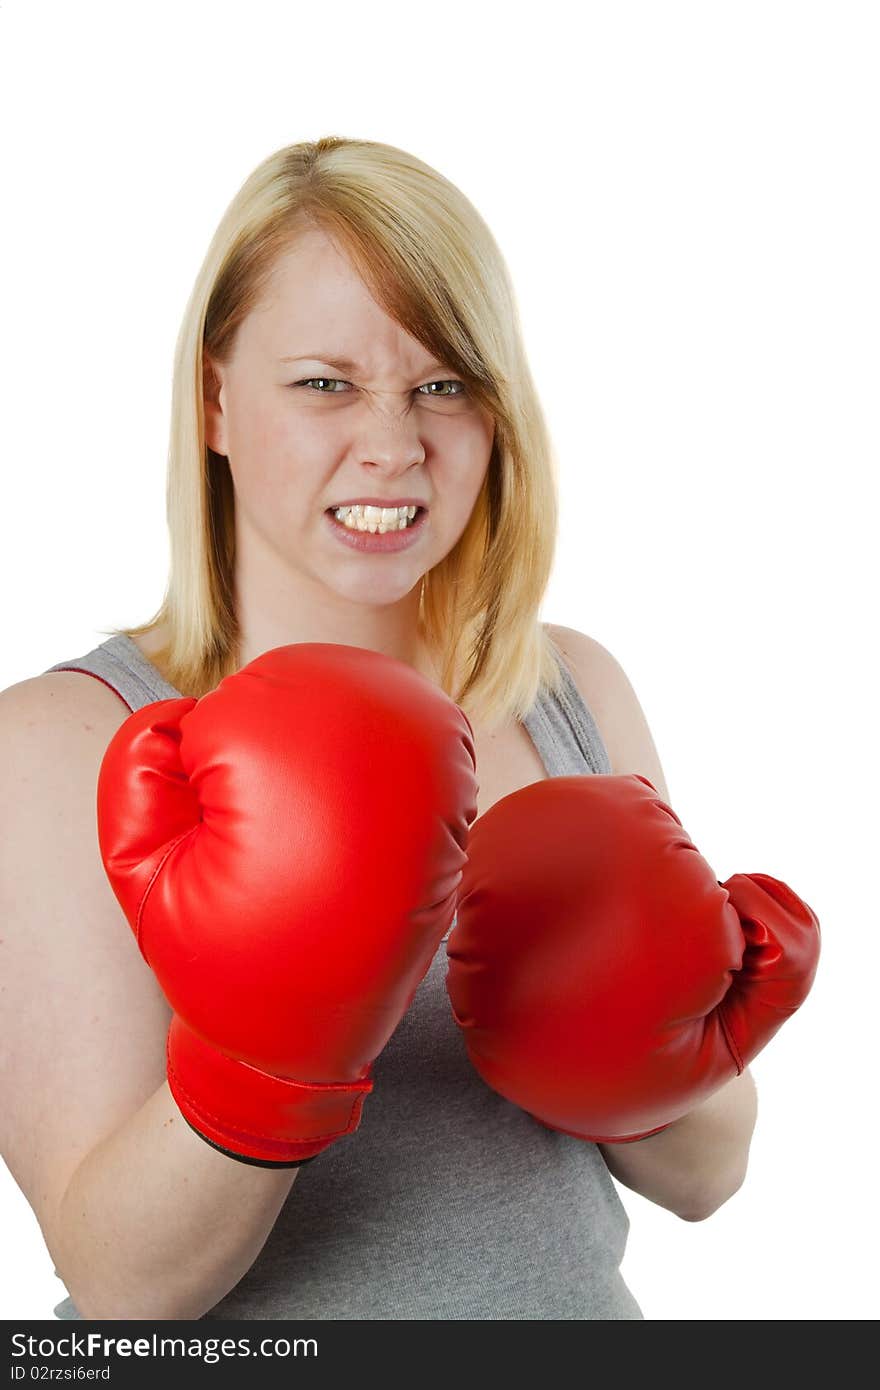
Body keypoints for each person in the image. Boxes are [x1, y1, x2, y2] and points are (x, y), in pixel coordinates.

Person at [0, 135, 818, 1322]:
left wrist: (630, 1028)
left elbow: (708, 1177)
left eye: (441, 385)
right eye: (326, 382)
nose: (392, 444)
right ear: (216, 401)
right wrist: (268, 1047)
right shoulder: (66, 742)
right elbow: (121, 1281)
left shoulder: (568, 688)